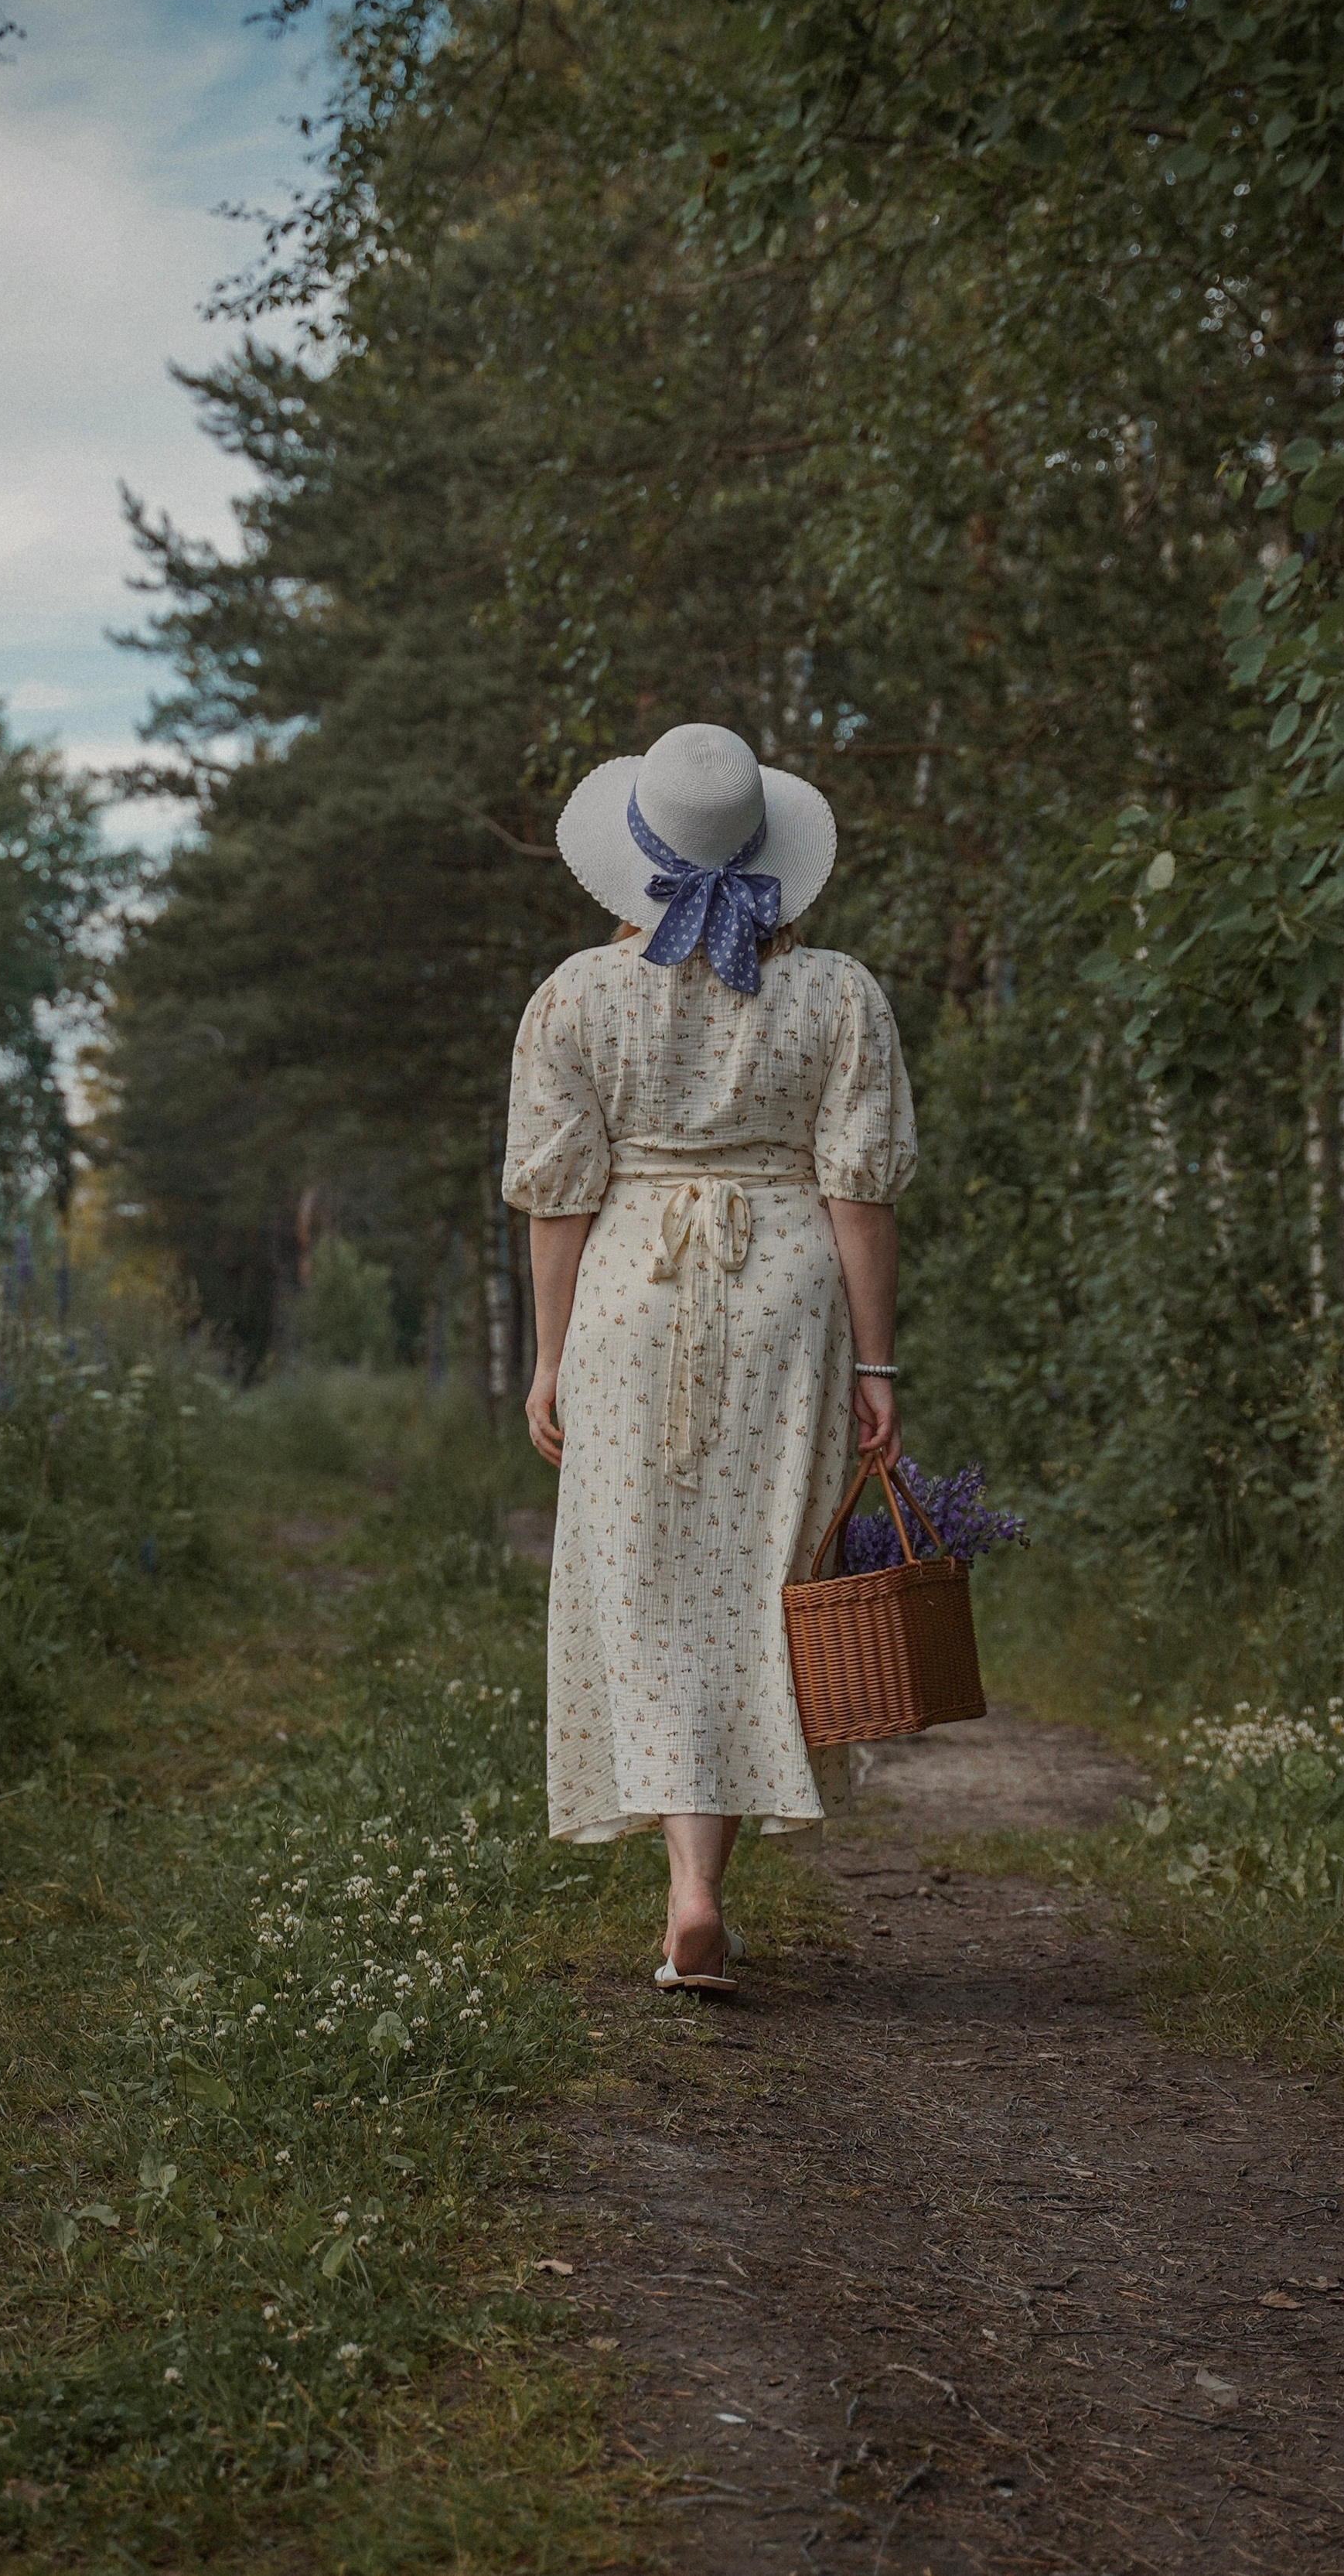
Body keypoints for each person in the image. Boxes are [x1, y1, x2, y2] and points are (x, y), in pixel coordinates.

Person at [503, 722, 916, 1993]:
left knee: (646, 1582)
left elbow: (560, 1197)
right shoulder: (838, 994)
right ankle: (705, 1891)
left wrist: (549, 1356)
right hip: (785, 1294)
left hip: (635, 1294)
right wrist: (878, 1368)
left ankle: (684, 1890)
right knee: (757, 1584)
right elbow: (860, 1195)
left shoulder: (577, 996)